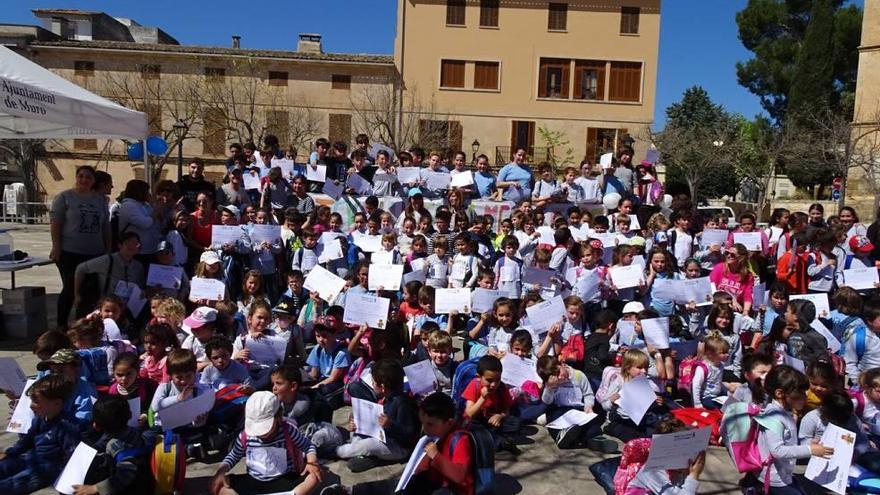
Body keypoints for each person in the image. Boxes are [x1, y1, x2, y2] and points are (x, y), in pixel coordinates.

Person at [211, 392, 322, 495]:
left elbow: (308, 445)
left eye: (265, 427)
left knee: (313, 477)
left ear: (278, 416)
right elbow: (233, 455)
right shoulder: (245, 436)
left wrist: (312, 462)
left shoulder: (288, 431)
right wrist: (221, 472)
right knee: (219, 484)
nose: (261, 434)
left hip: (285, 479)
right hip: (254, 481)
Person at [50, 165, 111, 327]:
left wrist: (108, 249)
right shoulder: (64, 198)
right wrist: (56, 247)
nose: (84, 180)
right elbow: (56, 223)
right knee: (70, 289)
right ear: (76, 178)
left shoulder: (100, 200)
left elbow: (105, 226)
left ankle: (83, 325)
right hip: (69, 252)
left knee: (89, 292)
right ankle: (61, 326)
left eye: (88, 177)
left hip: (94, 253)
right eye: (81, 176)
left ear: (93, 181)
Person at [0, 374, 80, 494]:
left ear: (57, 403)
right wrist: (9, 453)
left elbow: (73, 457)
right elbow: (26, 441)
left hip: (45, 471)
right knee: (4, 466)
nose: (31, 405)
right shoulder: (40, 419)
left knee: (8, 486)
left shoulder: (66, 427)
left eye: (36, 402)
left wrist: (66, 481)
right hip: (29, 459)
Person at [73, 232, 146, 317]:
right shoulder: (107, 260)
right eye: (128, 243)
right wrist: (76, 294)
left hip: (127, 310)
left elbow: (140, 287)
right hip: (107, 308)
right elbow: (80, 269)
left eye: (135, 244)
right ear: (120, 245)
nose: (131, 246)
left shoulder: (138, 266)